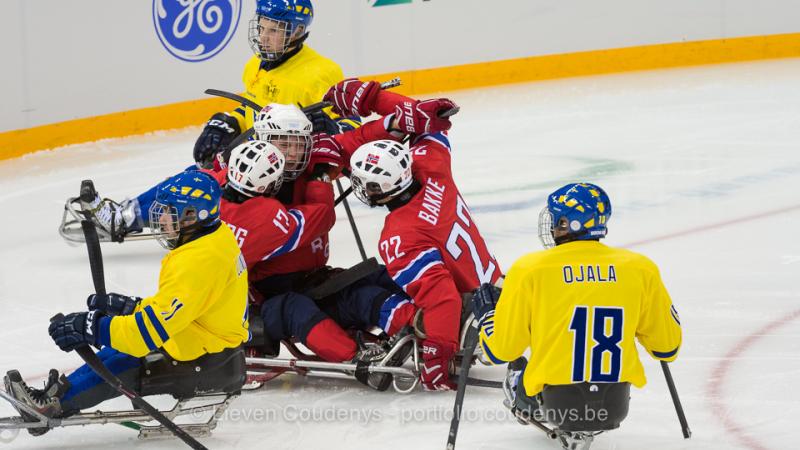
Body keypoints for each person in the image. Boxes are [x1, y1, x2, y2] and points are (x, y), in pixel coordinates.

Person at [4, 172, 249, 436]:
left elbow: (143, 335)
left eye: (169, 211)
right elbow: (187, 306)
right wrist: (129, 307)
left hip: (206, 359)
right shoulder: (212, 238)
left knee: (125, 359)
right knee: (116, 348)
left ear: (193, 216)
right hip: (203, 339)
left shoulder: (199, 262)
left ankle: (50, 407)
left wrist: (91, 327)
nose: (161, 218)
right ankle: (55, 396)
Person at [317, 80, 504, 390]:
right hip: (495, 293)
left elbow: (443, 298)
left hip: (471, 324)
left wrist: (437, 356)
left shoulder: (400, 234)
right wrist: (377, 98)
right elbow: (427, 123)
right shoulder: (431, 167)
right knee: (375, 275)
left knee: (359, 296)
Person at [473, 182, 682, 426]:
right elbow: (667, 348)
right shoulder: (640, 269)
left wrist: (489, 316)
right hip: (615, 405)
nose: (551, 227)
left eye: (555, 220)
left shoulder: (529, 270)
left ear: (567, 223)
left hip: (557, 404)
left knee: (517, 370)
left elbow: (501, 351)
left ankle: (527, 399)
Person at [192, 0, 347, 169]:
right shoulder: (254, 64)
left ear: (297, 31)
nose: (263, 37)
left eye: (274, 30)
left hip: (292, 169)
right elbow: (251, 110)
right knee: (190, 180)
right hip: (253, 161)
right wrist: (228, 124)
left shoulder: (322, 72)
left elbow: (352, 126)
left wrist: (331, 129)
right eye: (261, 27)